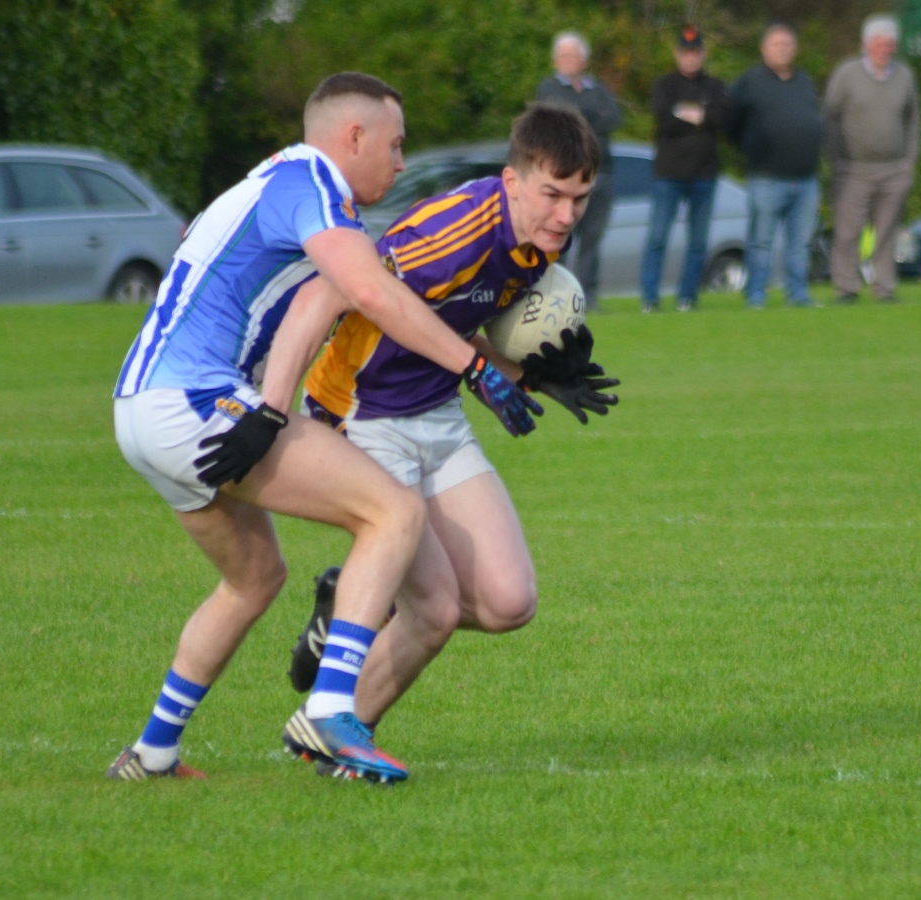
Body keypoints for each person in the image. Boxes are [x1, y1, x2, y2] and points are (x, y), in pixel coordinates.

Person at [105, 72, 543, 785]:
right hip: (190, 401)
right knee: (393, 511)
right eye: (395, 145)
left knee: (254, 580)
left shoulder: (273, 183)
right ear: (354, 137)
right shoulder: (310, 183)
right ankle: (332, 707)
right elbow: (372, 291)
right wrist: (474, 369)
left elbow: (338, 298)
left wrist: (516, 368)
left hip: (140, 411)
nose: (401, 163)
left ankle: (153, 750)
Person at [273, 103, 619, 748]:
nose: (566, 215)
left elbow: (452, 329)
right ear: (512, 181)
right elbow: (341, 293)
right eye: (552, 194)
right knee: (432, 610)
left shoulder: (540, 244)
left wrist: (528, 377)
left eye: (580, 197)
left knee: (509, 602)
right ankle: (335, 727)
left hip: (436, 411)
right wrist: (272, 408)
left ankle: (348, 606)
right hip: (362, 413)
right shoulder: (454, 231)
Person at [823, 14, 920, 304]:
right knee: (848, 232)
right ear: (865, 45)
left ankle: (884, 288)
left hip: (894, 170)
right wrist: (835, 157)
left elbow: (913, 120)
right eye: (878, 44)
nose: (884, 49)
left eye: (889, 44)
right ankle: (847, 289)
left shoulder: (904, 75)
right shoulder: (847, 73)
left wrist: (908, 163)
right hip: (853, 169)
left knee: (887, 233)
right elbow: (829, 116)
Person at [726, 22, 823, 309]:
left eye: (787, 44)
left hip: (805, 178)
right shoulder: (750, 82)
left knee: (800, 243)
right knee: (761, 242)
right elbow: (732, 124)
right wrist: (752, 148)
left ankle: (798, 293)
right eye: (776, 44)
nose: (782, 49)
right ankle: (756, 294)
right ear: (763, 49)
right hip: (766, 177)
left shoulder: (804, 81)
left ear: (794, 49)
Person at [639, 25, 729, 313]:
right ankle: (650, 298)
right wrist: (699, 117)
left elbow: (721, 117)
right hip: (668, 175)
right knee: (657, 238)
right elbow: (665, 121)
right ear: (678, 54)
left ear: (702, 54)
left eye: (696, 52)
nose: (691, 57)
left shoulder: (714, 86)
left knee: (698, 242)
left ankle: (687, 297)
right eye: (686, 52)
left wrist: (688, 115)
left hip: (704, 175)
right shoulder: (664, 85)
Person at [535, 31, 623, 310]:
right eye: (563, 56)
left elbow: (614, 118)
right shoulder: (548, 88)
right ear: (554, 60)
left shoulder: (598, 89)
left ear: (584, 60)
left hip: (599, 175)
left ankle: (588, 298)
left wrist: (577, 114)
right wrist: (587, 115)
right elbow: (556, 120)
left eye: (574, 55)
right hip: (564, 178)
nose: (568, 61)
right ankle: (555, 297)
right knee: (558, 239)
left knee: (591, 242)